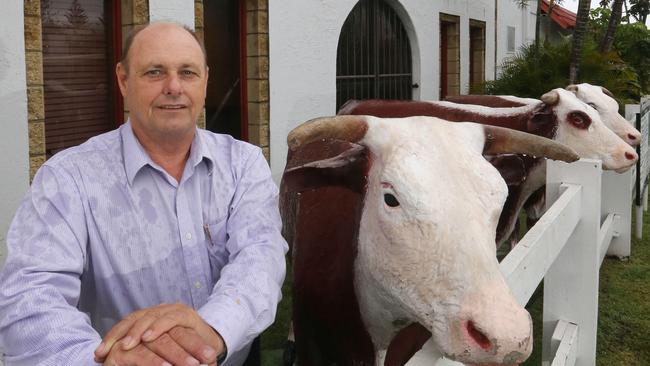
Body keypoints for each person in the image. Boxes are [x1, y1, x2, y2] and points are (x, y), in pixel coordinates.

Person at [0, 21, 288, 366]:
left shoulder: (243, 164)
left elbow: (260, 257)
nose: (173, 87)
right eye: (154, 72)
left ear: (206, 81)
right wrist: (107, 360)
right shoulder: (68, 180)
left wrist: (211, 330)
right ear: (123, 80)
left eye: (188, 72)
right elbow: (29, 297)